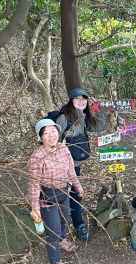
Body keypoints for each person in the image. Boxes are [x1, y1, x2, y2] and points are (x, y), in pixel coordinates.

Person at [28, 119, 84, 264]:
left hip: (64, 193)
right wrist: (35, 208)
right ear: (41, 137)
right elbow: (34, 184)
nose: (51, 135)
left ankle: (62, 239)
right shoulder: (37, 157)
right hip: (48, 197)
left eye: (54, 131)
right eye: (46, 133)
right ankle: (55, 263)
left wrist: (78, 187)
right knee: (52, 231)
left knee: (65, 219)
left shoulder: (64, 149)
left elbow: (71, 171)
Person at [55, 87, 107, 241]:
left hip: (75, 164)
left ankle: (78, 224)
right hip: (62, 165)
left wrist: (99, 109)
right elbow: (53, 139)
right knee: (63, 194)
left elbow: (98, 127)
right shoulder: (64, 118)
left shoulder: (84, 116)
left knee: (74, 193)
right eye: (78, 99)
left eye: (84, 99)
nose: (81, 102)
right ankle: (65, 227)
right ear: (71, 101)